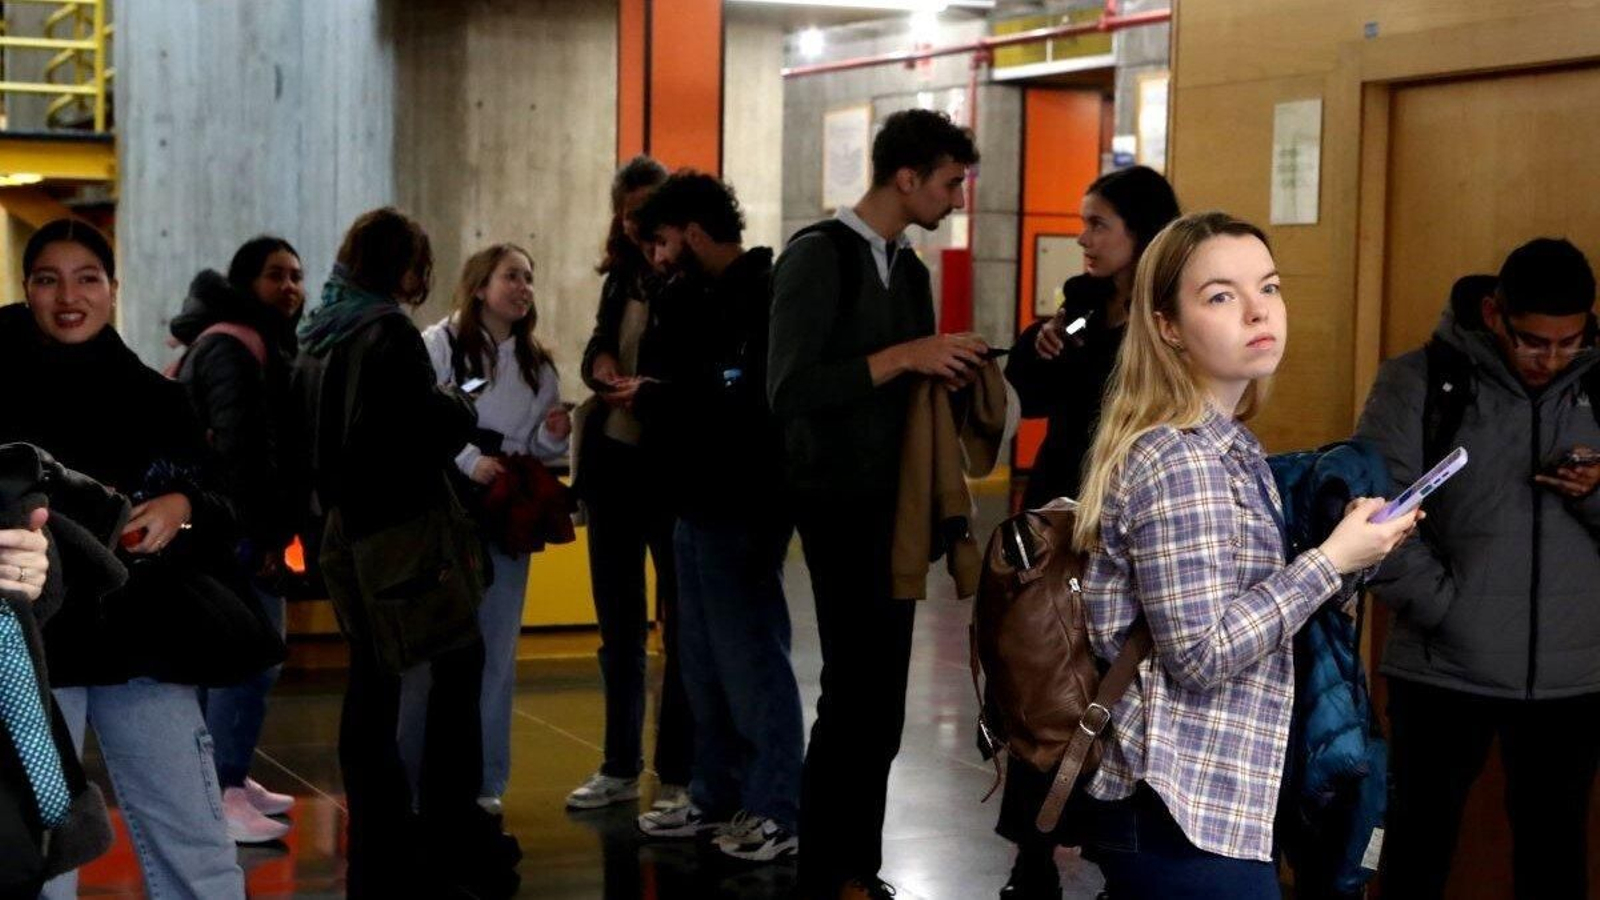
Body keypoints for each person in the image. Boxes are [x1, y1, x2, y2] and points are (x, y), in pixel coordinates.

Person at [1066, 211, 1417, 897]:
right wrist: (1330, 561)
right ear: (1168, 326)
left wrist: (1348, 550)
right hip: (1181, 803)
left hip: (1212, 798)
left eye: (1270, 287)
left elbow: (1252, 608)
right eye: (1221, 296)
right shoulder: (1180, 458)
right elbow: (1199, 655)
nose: (1259, 311)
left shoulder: (1229, 443)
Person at [768, 108, 986, 900]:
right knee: (853, 694)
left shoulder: (910, 268)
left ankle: (858, 863)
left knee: (882, 700)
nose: (957, 199)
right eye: (950, 182)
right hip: (837, 505)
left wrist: (946, 369)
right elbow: (789, 388)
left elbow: (903, 378)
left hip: (897, 507)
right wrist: (906, 356)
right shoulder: (817, 259)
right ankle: (830, 868)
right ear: (906, 177)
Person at [0, 218, 247, 898]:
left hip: (138, 641)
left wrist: (181, 506)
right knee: (44, 857)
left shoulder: (155, 397)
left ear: (114, 289)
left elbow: (225, 498)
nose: (68, 295)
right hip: (28, 650)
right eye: (48, 279)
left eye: (87, 278)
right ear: (26, 290)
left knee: (193, 840)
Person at [1356, 238, 1600, 900]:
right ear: (1494, 313)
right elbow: (1372, 521)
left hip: (1572, 681)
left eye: (1568, 342)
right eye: (1532, 342)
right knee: (1415, 855)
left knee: (1557, 863)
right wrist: (1450, 610)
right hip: (1441, 670)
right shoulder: (1417, 382)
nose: (1550, 360)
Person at [295, 207, 515, 898]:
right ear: (402, 266)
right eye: (420, 264)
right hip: (402, 530)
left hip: (344, 529)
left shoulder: (321, 330)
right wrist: (454, 404)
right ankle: (450, 823)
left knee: (373, 675)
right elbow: (410, 430)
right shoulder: (385, 330)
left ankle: (380, 821)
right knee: (458, 662)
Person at [996, 164, 1179, 898]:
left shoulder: (1167, 316)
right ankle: (1032, 857)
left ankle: (1119, 857)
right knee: (1042, 683)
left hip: (1128, 520)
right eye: (1084, 223)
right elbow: (1030, 393)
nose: (1084, 239)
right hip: (1060, 520)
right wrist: (1033, 348)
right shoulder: (1079, 307)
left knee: (1120, 692)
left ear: (1142, 234)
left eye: (1099, 224)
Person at [626, 172, 804, 864]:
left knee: (751, 656)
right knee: (699, 661)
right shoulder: (687, 295)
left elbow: (737, 397)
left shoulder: (760, 293)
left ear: (696, 233)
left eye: (666, 241)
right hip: (693, 501)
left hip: (743, 502)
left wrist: (660, 396)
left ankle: (775, 808)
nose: (660, 257)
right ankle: (715, 793)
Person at [412, 243, 571, 816]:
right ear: (480, 285)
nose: (523, 287)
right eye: (512, 276)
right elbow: (419, 419)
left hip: (505, 502)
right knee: (435, 645)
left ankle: (484, 779)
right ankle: (420, 774)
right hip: (447, 501)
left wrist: (555, 434)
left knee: (496, 646)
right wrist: (465, 461)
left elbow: (538, 444)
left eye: (529, 277)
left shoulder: (538, 363)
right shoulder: (440, 345)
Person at [170, 235, 307, 844]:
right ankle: (220, 791)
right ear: (245, 282)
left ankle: (226, 776)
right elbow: (242, 453)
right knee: (248, 663)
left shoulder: (247, 341)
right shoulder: (234, 346)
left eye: (297, 276)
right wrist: (264, 535)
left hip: (225, 529)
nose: (290, 287)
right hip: (235, 533)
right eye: (276, 275)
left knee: (237, 664)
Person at [569, 155, 694, 812]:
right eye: (629, 210)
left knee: (680, 631)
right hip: (614, 470)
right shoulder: (620, 279)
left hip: (670, 474)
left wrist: (648, 392)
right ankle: (620, 764)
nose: (640, 223)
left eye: (650, 208)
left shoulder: (691, 277)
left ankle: (677, 772)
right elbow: (595, 346)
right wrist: (604, 367)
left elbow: (696, 378)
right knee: (617, 628)